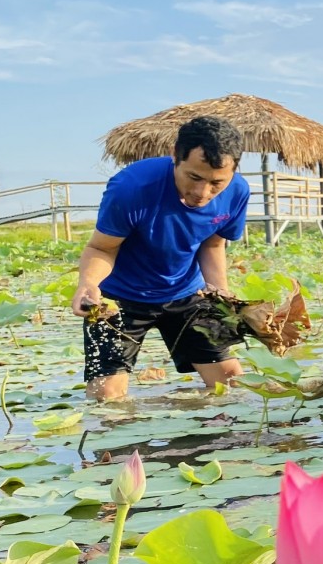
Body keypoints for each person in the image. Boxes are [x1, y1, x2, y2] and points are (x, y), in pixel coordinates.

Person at [73, 115, 251, 401]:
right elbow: (102, 248)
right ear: (175, 158)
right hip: (121, 298)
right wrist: (88, 283)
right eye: (193, 177)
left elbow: (213, 243)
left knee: (231, 384)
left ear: (233, 172)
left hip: (187, 291)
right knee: (105, 397)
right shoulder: (131, 188)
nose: (201, 193)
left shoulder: (237, 192)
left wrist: (219, 291)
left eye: (216, 183)